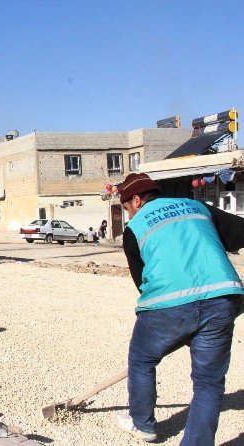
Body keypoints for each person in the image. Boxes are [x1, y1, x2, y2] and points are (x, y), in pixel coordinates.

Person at [113, 173, 244, 445]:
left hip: (168, 304)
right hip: (222, 297)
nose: (128, 214)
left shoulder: (135, 227)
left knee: (142, 359)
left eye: (126, 208)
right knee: (208, 383)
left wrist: (179, 325)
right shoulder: (198, 207)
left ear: (135, 200)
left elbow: (142, 282)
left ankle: (142, 425)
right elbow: (239, 233)